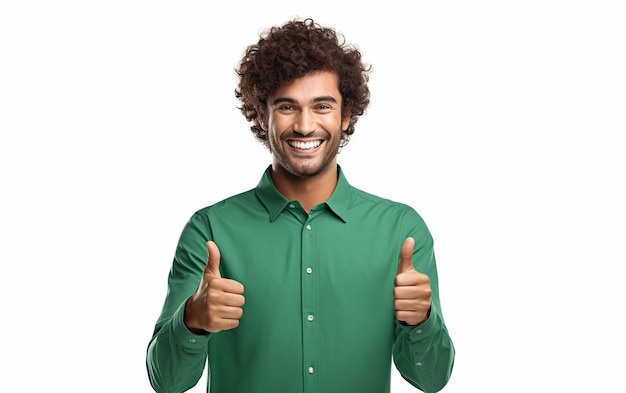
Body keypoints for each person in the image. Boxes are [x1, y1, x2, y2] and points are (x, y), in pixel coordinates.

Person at [146, 18, 455, 393]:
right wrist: (192, 320)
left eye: (322, 106)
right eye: (288, 107)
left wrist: (420, 320)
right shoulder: (210, 229)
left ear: (346, 114)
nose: (305, 126)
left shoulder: (401, 230)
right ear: (263, 115)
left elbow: (431, 378)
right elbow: (167, 382)